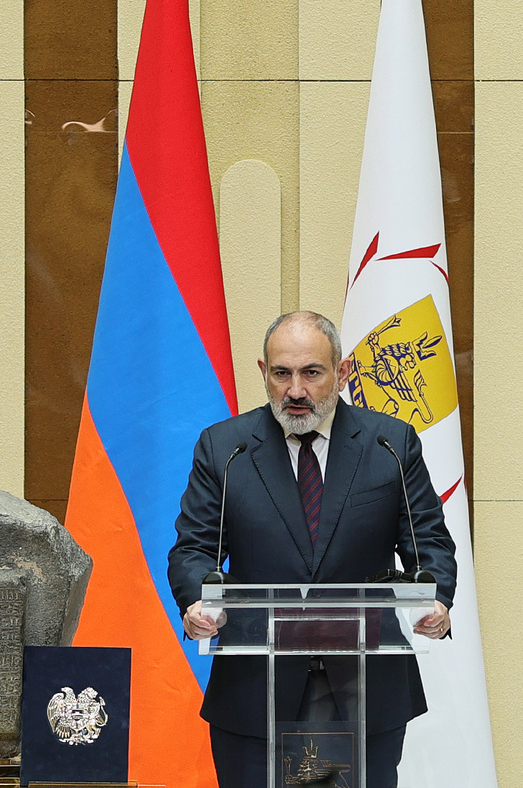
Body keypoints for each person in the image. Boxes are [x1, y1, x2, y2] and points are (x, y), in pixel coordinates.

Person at [167, 311, 457, 788]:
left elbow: (428, 542)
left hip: (366, 686)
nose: (295, 390)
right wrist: (200, 600)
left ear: (341, 373)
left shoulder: (389, 444)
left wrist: (437, 598)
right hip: (255, 687)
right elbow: (194, 548)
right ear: (263, 372)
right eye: (282, 373)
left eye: (312, 373)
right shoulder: (225, 449)